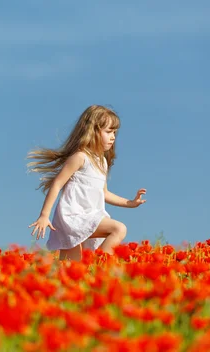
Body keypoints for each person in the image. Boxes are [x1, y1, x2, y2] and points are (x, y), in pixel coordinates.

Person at [27, 105, 147, 261]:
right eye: (109, 132)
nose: (113, 137)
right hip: (73, 216)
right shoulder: (80, 157)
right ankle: (100, 266)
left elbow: (104, 193)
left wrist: (130, 203)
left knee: (72, 266)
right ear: (93, 131)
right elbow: (57, 184)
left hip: (91, 215)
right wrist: (44, 215)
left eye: (115, 133)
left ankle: (94, 270)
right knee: (119, 229)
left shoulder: (102, 162)